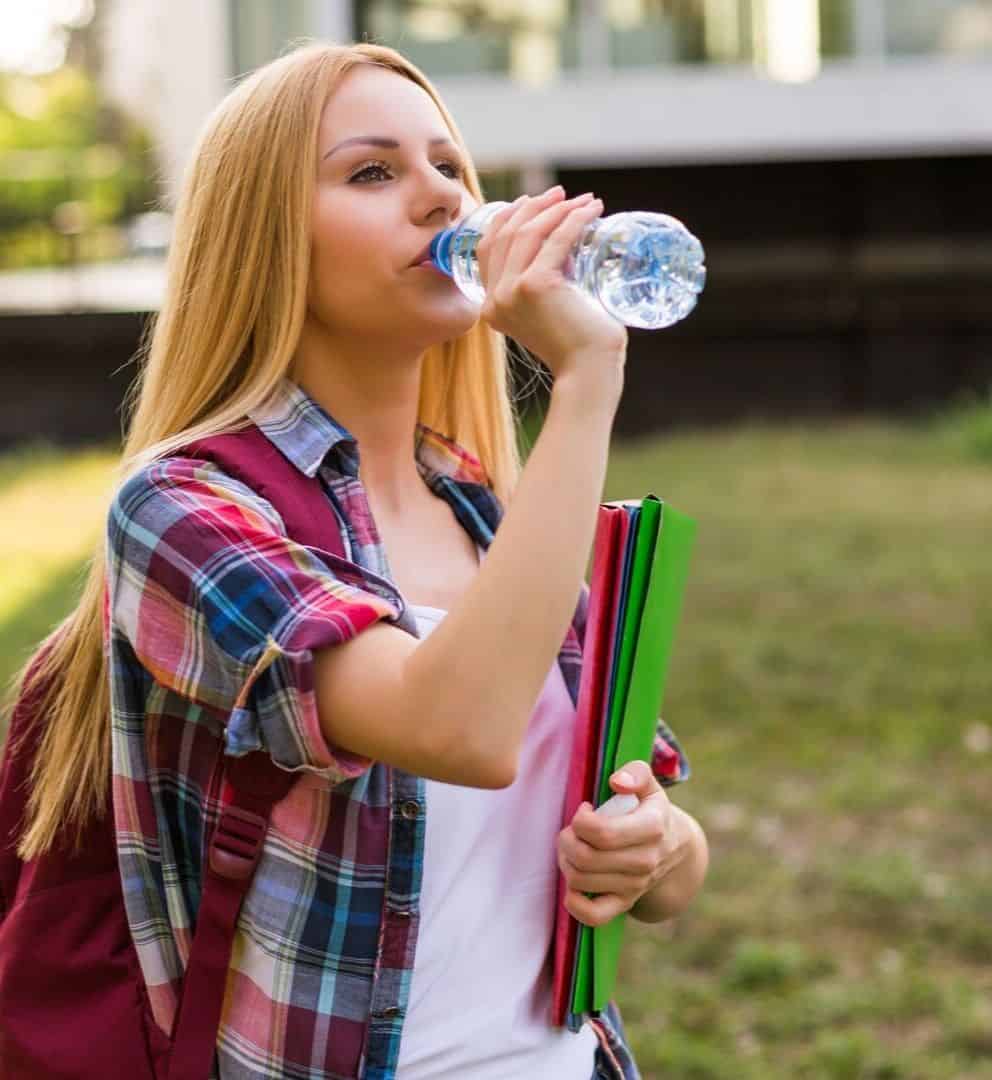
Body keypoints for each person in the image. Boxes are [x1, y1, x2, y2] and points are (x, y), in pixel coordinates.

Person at [12, 41, 709, 1079]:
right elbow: (452, 725)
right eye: (372, 172)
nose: (438, 199)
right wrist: (586, 380)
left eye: (448, 167)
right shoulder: (180, 509)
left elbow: (663, 840)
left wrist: (655, 847)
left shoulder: (484, 511)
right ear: (265, 240)